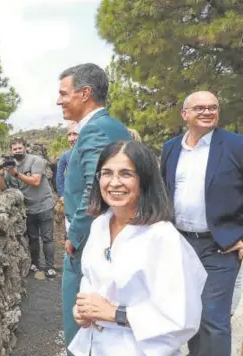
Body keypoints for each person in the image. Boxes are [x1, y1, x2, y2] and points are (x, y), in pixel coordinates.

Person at [68, 140, 206, 355]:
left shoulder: (162, 237)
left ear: (145, 181)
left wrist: (116, 314)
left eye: (126, 174)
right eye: (106, 173)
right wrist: (83, 309)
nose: (114, 182)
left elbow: (182, 318)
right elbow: (91, 279)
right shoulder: (99, 226)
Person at [160, 90, 243, 356]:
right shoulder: (171, 148)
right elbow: (163, 191)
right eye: (200, 108)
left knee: (212, 318)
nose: (208, 112)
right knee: (190, 317)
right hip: (180, 245)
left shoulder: (235, 146)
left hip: (220, 246)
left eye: (213, 107)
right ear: (185, 114)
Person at [56, 63, 131, 351]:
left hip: (91, 242)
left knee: (81, 319)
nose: (59, 100)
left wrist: (74, 236)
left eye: (64, 93)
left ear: (84, 93)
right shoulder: (107, 126)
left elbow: (95, 188)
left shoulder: (96, 130)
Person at [0, 136, 57, 278]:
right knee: (33, 238)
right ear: (11, 150)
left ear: (25, 147)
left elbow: (35, 181)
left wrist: (16, 174)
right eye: (14, 148)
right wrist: (0, 171)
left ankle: (49, 267)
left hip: (44, 205)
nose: (17, 150)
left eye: (20, 147)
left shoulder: (36, 160)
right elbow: (1, 187)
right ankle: (35, 264)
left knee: (47, 238)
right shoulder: (9, 167)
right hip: (28, 209)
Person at [56, 121, 79, 201]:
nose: (71, 138)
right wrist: (61, 193)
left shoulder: (91, 153)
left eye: (75, 134)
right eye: (69, 134)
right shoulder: (65, 155)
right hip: (72, 196)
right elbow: (59, 174)